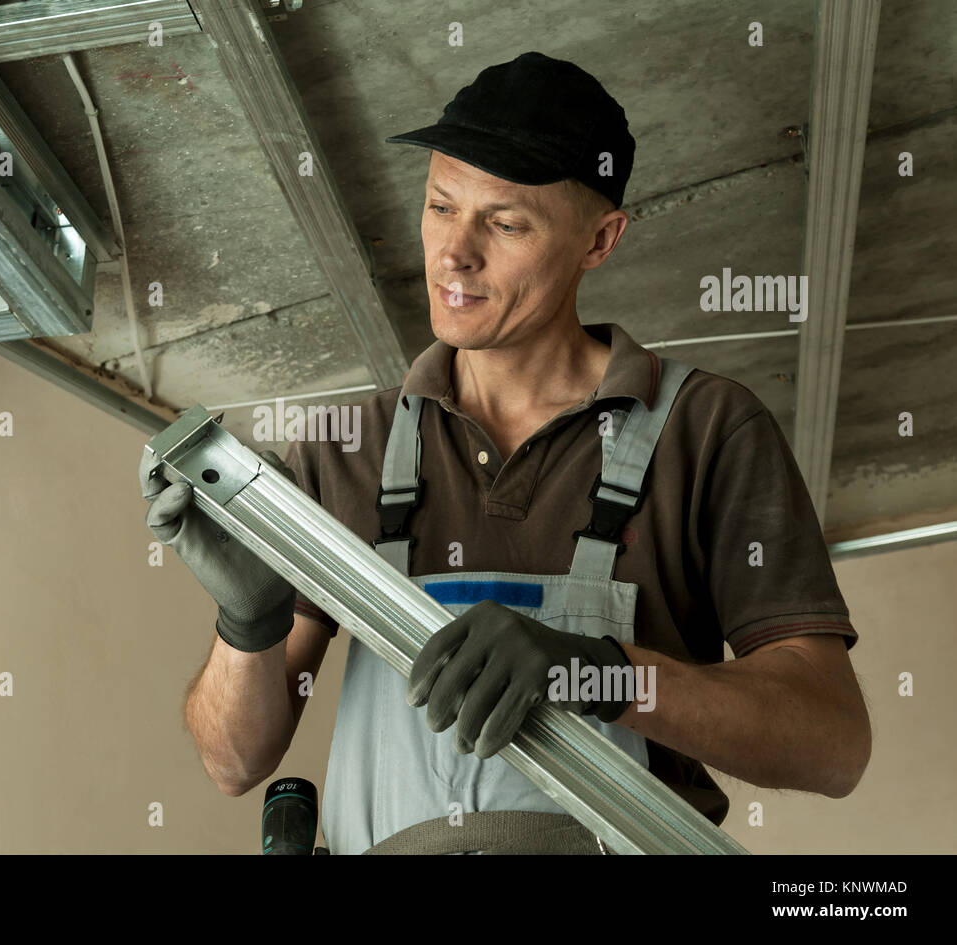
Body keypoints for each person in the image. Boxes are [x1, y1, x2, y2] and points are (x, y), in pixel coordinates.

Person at [141, 52, 870, 854]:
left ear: (600, 239)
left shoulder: (707, 429)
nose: (456, 253)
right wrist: (248, 624)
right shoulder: (347, 447)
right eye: (442, 206)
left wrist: (600, 672)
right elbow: (234, 760)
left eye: (506, 222)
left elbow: (832, 742)